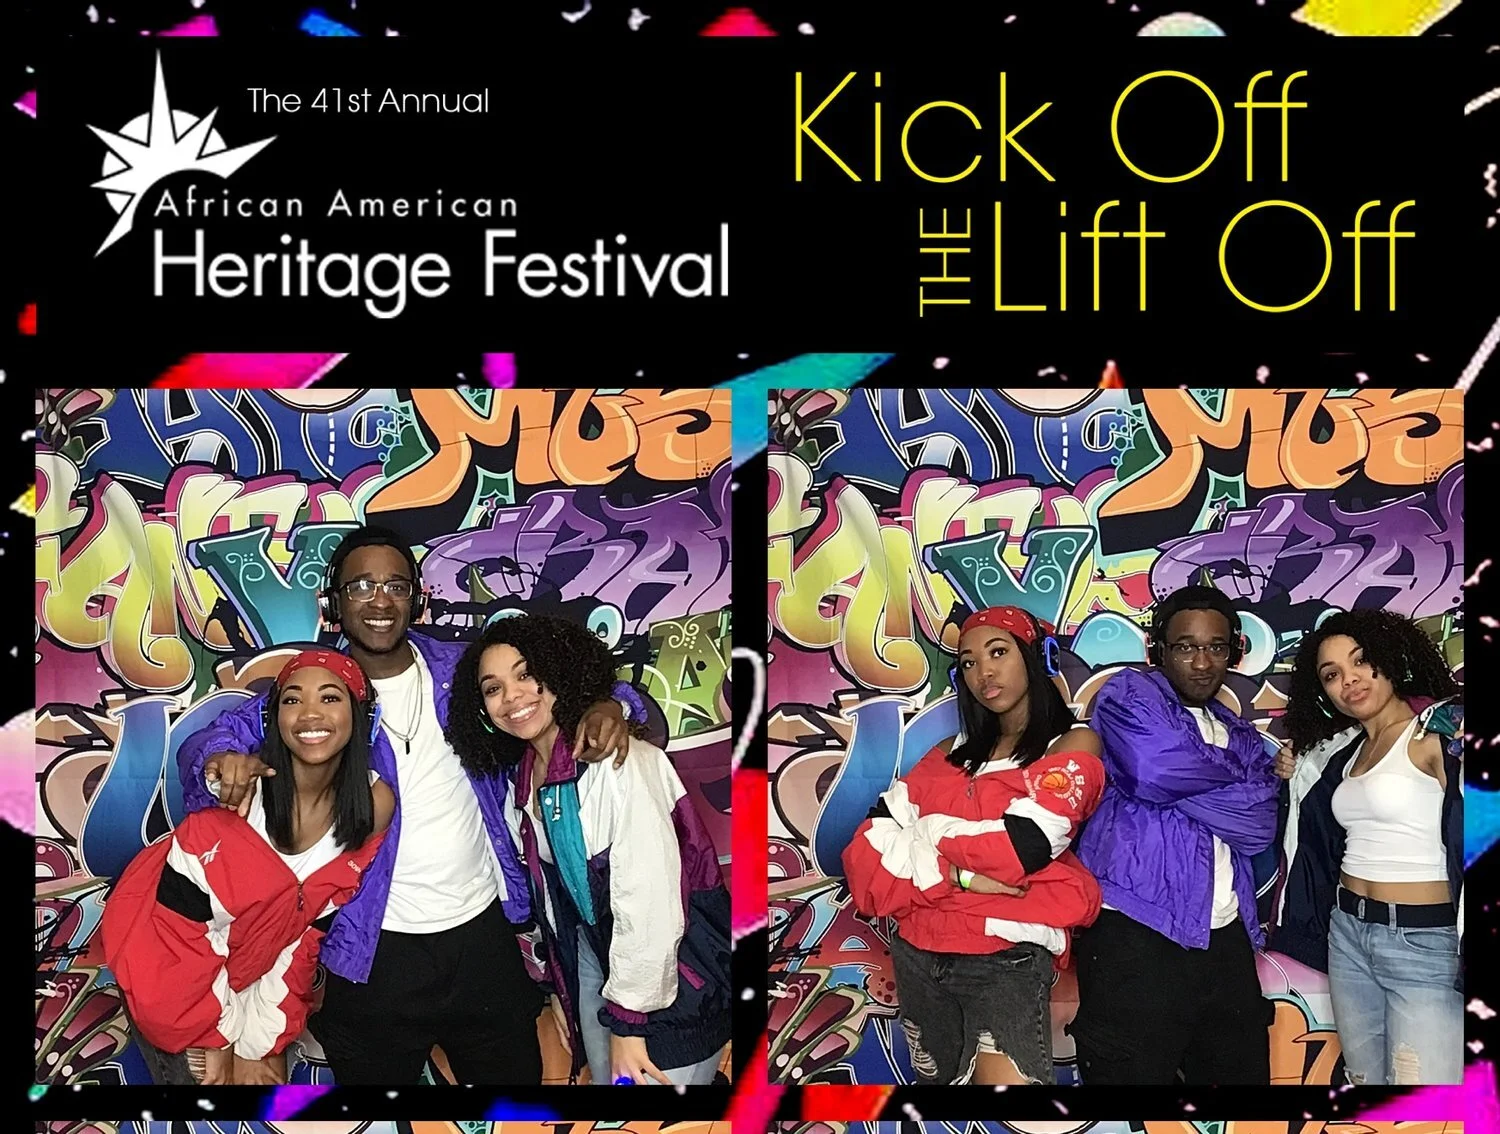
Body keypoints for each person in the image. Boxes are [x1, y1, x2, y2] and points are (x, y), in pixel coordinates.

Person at [175, 524, 644, 1084]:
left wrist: (612, 707)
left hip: (483, 939)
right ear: (332, 604)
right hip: (370, 949)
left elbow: (561, 692)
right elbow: (211, 742)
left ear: (417, 600)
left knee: (513, 1104)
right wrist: (219, 762)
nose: (379, 600)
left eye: (395, 586)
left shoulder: (463, 671)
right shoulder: (320, 687)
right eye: (361, 586)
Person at [443, 613, 731, 1085]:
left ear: (560, 671)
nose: (512, 696)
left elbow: (651, 902)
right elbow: (561, 907)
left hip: (674, 984)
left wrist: (630, 1022)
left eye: (526, 674)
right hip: (601, 973)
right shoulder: (522, 782)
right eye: (493, 688)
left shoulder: (620, 763)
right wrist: (563, 988)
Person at [842, 605, 1106, 1085]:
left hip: (1003, 959)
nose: (983, 671)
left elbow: (1021, 848)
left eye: (998, 652)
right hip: (917, 953)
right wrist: (958, 874)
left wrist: (921, 833)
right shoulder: (947, 753)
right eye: (968, 662)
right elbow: (863, 857)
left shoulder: (1071, 745)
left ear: (1036, 657)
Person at [101, 651, 393, 1085]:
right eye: (292, 700)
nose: (310, 712)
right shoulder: (234, 803)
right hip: (171, 992)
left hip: (248, 986)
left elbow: (303, 938)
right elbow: (169, 951)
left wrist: (259, 1042)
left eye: (330, 697)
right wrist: (219, 1036)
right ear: (274, 718)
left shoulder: (372, 806)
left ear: (359, 715)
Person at [1070, 584, 1278, 1085]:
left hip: (1225, 940)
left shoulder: (1242, 734)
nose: (1202, 663)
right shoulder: (1127, 696)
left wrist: (1179, 782)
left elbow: (1258, 824)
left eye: (1216, 647)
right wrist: (1229, 781)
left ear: (1234, 652)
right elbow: (1152, 770)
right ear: (1158, 650)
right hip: (1136, 934)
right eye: (1186, 647)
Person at [1272, 608, 1463, 1085]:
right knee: (1365, 1086)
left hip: (1424, 942)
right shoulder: (1344, 751)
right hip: (1348, 933)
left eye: (1361, 661)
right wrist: (1291, 771)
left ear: (1390, 659)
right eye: (1332, 674)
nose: (1349, 680)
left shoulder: (1435, 734)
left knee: (1424, 1104)